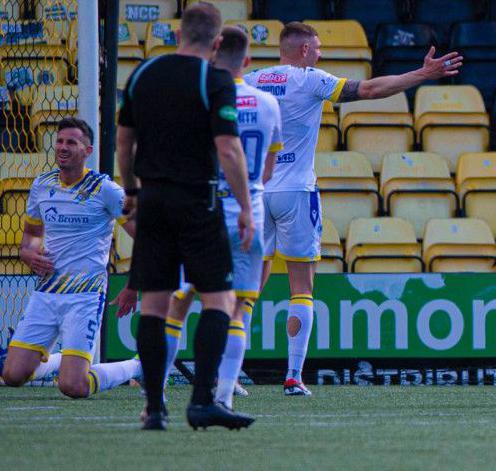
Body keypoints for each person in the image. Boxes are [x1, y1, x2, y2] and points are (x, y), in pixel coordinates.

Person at [243, 21, 463, 396]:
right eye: (316, 48)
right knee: (301, 287)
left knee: (248, 287)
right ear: (302, 51)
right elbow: (372, 89)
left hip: (255, 190)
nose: (320, 53)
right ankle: (293, 376)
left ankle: (229, 374)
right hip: (296, 190)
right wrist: (423, 74)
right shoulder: (309, 79)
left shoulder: (251, 82)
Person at [117, 3, 255, 430]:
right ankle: (201, 402)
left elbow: (124, 142)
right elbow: (228, 149)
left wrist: (133, 192)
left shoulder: (143, 73)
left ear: (177, 34)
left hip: (153, 199)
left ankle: (155, 408)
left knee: (155, 305)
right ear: (216, 43)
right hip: (198, 201)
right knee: (220, 300)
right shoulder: (213, 79)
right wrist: (246, 207)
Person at [155, 25, 282, 411]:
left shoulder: (200, 98)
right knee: (239, 308)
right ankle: (224, 396)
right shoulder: (267, 103)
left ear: (213, 54)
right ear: (247, 61)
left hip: (201, 213)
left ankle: (156, 396)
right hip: (249, 214)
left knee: (179, 303)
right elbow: (268, 170)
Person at [0, 117, 143, 398]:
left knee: (73, 386)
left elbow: (147, 237)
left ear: (87, 150)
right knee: (12, 375)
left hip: (85, 295)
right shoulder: (42, 186)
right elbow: (30, 236)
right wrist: (28, 253)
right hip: (47, 292)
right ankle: (64, 360)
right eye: (60, 141)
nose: (63, 148)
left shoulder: (106, 190)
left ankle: (138, 366)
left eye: (71, 142)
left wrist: (133, 285)